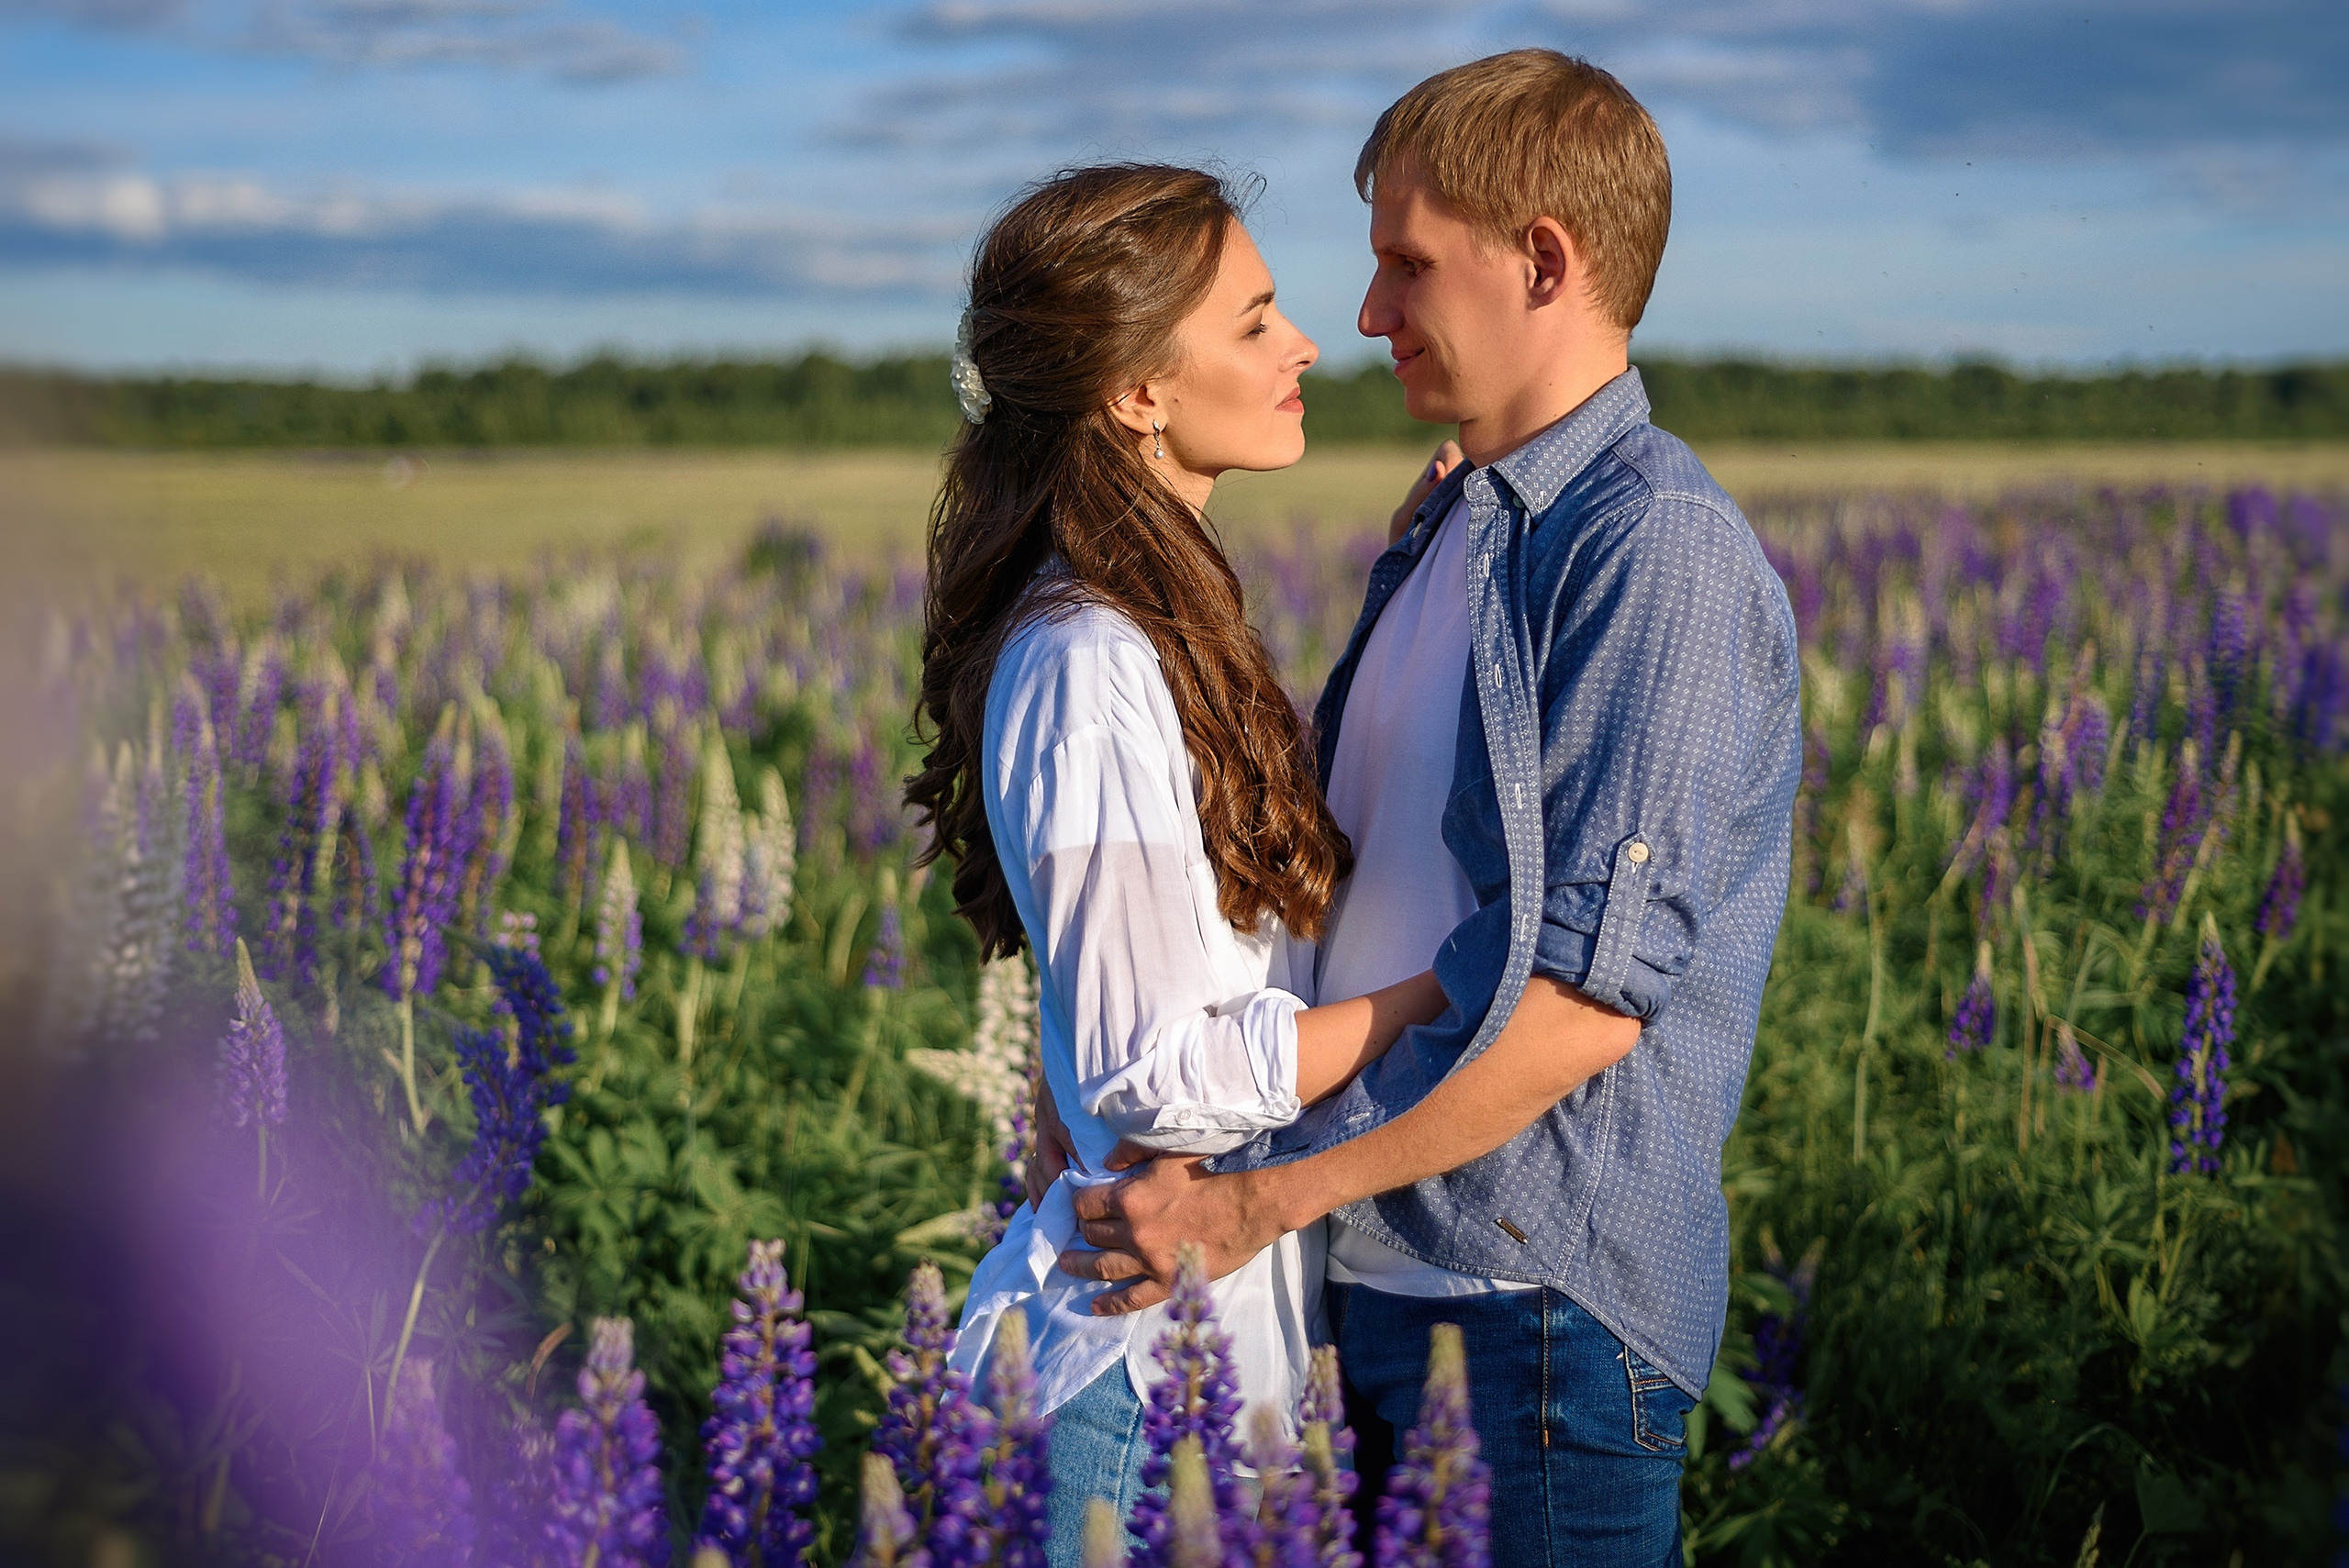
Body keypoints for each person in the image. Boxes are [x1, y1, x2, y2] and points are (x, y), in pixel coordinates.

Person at [1048, 52, 1805, 1567]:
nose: (1371, 313)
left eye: (1407, 262)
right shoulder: (1468, 523)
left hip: (1533, 1307)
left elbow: (1585, 1006)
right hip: (1387, 1273)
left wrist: (1261, 1203)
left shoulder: (1652, 548)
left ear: (1542, 260)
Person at [905, 163, 1451, 1568]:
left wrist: (1411, 575)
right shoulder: (1089, 660)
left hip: (1204, 1348)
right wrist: (1435, 994)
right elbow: (1153, 1068)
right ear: (1142, 391)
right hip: (1140, 1388)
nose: (1307, 343)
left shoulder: (1155, 621)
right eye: (1256, 320)